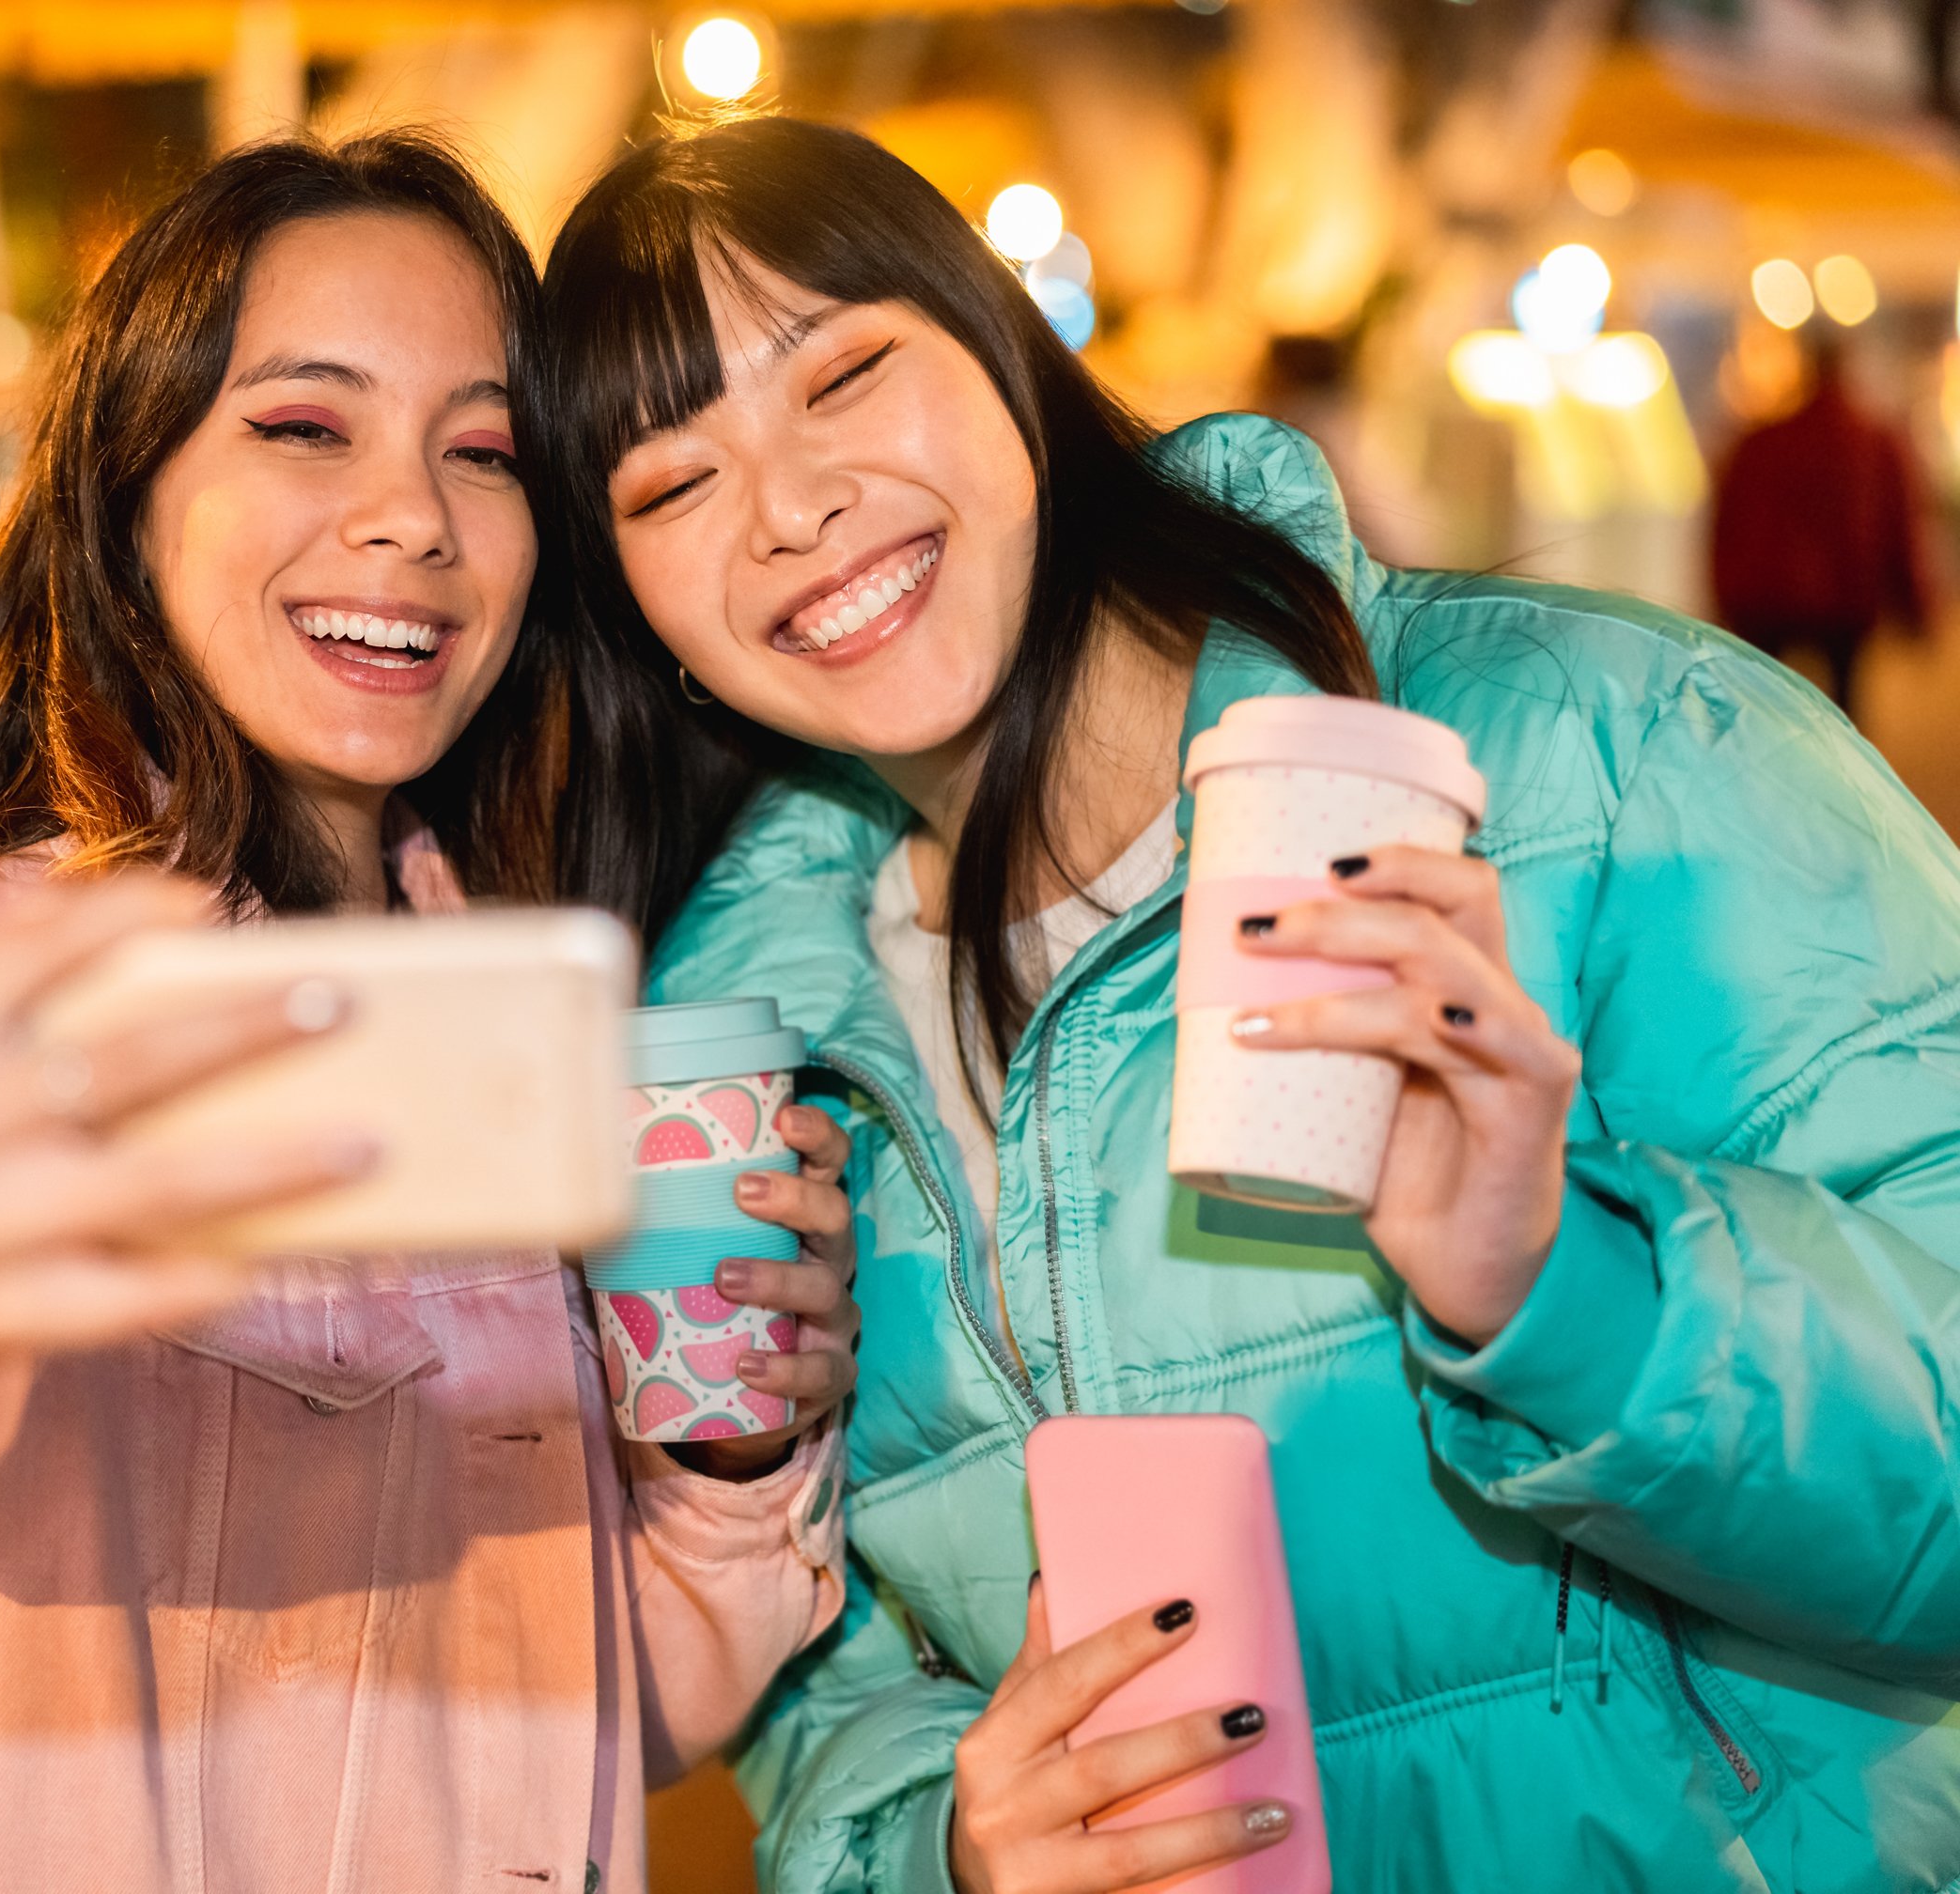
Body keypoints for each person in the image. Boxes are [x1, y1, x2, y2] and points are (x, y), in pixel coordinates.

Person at [537, 116, 1960, 1894]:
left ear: (1012, 366)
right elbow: (824, 1691)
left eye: (844, 376)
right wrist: (947, 1851)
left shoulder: (1598, 749)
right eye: (671, 486)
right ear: (638, 615)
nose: (789, 508)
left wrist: (1562, 1288)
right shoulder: (754, 1059)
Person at [0, 132, 860, 1894]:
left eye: (480, 451)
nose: (410, 516)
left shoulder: (535, 1029)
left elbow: (582, 1733)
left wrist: (724, 1445)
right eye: (301, 426)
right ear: (129, 496)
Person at [1709, 326, 1934, 718]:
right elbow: (1900, 528)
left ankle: (1764, 775)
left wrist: (1724, 593)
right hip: (1847, 599)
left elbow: (1730, 523)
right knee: (1845, 713)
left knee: (1761, 709)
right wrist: (1914, 607)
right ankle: (1840, 777)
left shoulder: (1763, 441)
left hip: (1768, 598)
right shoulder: (1875, 441)